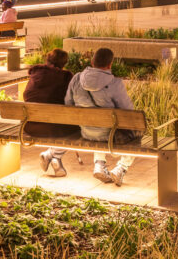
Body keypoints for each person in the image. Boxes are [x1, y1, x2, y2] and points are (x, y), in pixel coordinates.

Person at [65, 47, 138, 186]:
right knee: (134, 134)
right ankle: (121, 168)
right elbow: (128, 111)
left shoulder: (76, 79)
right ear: (110, 65)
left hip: (86, 131)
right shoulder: (115, 83)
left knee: (97, 126)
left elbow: (68, 103)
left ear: (92, 62)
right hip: (110, 135)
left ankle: (99, 164)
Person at [24, 48, 77, 177]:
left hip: (30, 126)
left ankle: (53, 157)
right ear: (64, 63)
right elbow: (71, 101)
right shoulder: (65, 78)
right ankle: (52, 155)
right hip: (54, 127)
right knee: (79, 129)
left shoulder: (35, 74)